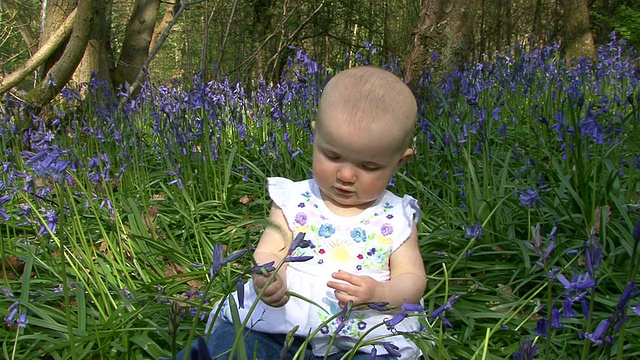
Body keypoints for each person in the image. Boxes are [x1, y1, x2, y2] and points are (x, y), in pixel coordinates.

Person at [167, 66, 426, 359]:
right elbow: (269, 251)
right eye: (333, 155)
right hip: (278, 323)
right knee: (232, 345)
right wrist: (268, 277)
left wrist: (379, 294)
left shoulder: (397, 215)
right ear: (316, 136)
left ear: (399, 162)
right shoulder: (294, 199)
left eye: (368, 167)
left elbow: (412, 280)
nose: (345, 174)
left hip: (363, 336)